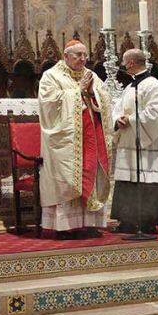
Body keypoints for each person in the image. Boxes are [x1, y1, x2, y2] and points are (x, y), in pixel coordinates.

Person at [38, 40, 113, 240]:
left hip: (90, 137)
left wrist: (90, 92)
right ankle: (65, 226)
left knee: (90, 173)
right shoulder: (51, 76)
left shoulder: (91, 75)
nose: (82, 59)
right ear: (66, 56)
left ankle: (89, 223)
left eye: (84, 55)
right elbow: (48, 104)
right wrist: (77, 91)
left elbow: (105, 98)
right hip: (65, 141)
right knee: (68, 177)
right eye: (77, 55)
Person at [111, 49, 158, 234]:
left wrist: (131, 120)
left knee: (147, 180)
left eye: (123, 61)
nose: (122, 64)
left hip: (147, 145)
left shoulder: (154, 86)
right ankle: (127, 221)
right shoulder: (130, 87)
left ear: (130, 63)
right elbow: (118, 108)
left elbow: (156, 114)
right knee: (127, 180)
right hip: (128, 142)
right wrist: (118, 119)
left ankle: (147, 222)